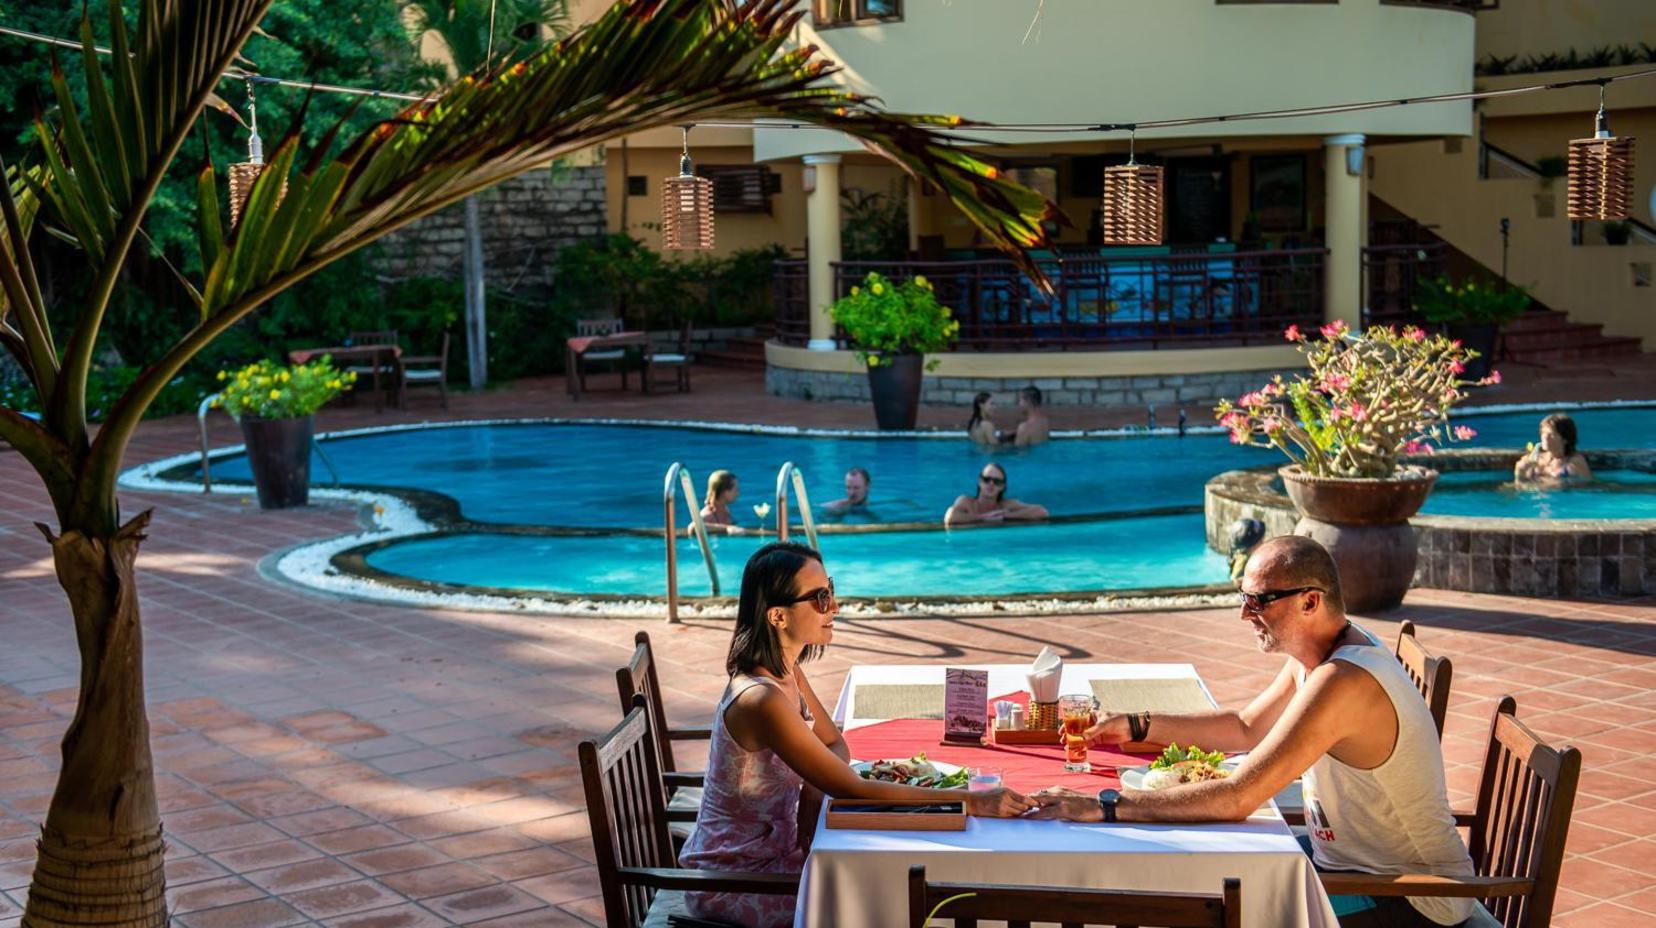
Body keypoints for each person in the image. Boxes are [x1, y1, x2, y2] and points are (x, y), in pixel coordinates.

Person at [1030, 536, 1476, 928]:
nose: (1245, 614)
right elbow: (1244, 729)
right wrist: (1137, 724)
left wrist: (1104, 806)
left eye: (1260, 600)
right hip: (1348, 868)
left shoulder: (1343, 680)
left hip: (1416, 899)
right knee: (1206, 878)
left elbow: (1238, 795)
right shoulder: (1323, 652)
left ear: (1310, 601)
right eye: (1243, 596)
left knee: (1213, 905)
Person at [679, 543, 1035, 927]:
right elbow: (853, 787)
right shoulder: (761, 698)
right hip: (736, 881)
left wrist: (816, 786)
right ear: (778, 615)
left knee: (897, 880)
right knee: (887, 900)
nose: (834, 607)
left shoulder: (787, 673)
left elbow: (837, 745)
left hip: (781, 857)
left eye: (829, 590)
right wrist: (971, 802)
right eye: (819, 598)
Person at [944, 462, 1049, 525]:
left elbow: (1042, 511)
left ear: (1002, 487)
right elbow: (949, 517)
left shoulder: (1006, 505)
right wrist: (983, 517)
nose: (991, 484)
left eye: (997, 481)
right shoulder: (966, 502)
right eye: (987, 479)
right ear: (979, 482)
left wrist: (1005, 516)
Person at [1513, 413, 1591, 486]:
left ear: (1565, 439)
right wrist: (1519, 474)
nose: (1545, 437)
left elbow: (1587, 487)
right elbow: (1520, 486)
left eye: (1551, 434)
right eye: (1543, 433)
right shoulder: (1534, 459)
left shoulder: (1575, 462)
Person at [699, 469, 746, 534]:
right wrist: (726, 528)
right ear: (724, 492)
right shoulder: (707, 515)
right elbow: (694, 527)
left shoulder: (724, 509)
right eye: (735, 490)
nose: (737, 493)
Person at [1227, 517, 1267, 583]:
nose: (1263, 542)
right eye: (1261, 540)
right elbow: (1234, 581)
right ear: (1252, 545)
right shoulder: (1243, 560)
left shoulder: (1239, 554)